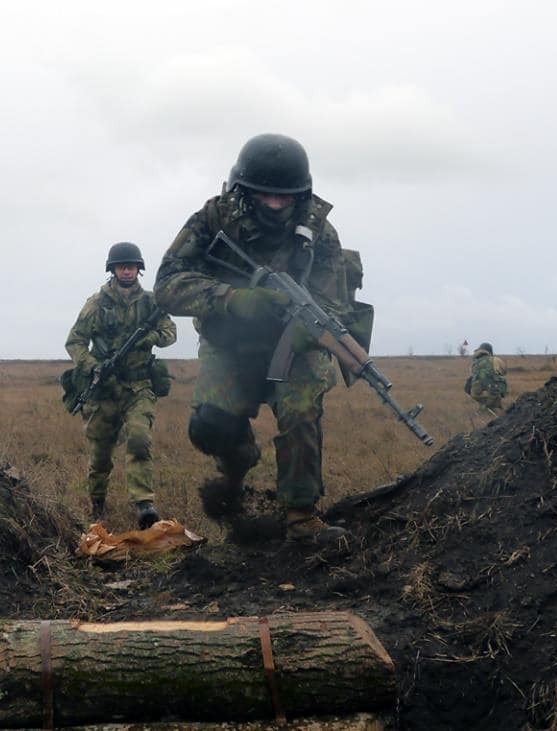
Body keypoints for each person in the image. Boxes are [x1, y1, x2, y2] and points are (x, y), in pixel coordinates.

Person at [154, 133, 365, 545]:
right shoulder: (214, 219)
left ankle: (301, 517)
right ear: (243, 190)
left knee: (301, 415)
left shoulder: (320, 233)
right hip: (229, 345)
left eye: (283, 198)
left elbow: (333, 301)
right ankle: (238, 465)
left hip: (297, 346)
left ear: (299, 194)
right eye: (264, 195)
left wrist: (309, 328)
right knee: (209, 426)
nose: (273, 204)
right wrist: (234, 299)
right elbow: (167, 284)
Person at [66, 242, 177, 529]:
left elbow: (170, 333)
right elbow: (75, 341)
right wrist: (92, 366)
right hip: (104, 388)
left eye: (131, 266)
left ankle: (144, 505)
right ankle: (97, 504)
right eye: (121, 266)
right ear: (113, 269)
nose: (127, 270)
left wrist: (148, 338)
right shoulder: (97, 303)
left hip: (139, 385)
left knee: (139, 439)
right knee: (100, 455)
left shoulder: (152, 302)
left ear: (139, 269)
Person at [464, 342, 508, 411]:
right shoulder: (496, 360)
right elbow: (504, 371)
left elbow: (473, 375)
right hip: (495, 387)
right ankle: (492, 405)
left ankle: (486, 406)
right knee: (495, 395)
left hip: (477, 389)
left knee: (479, 393)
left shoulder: (475, 362)